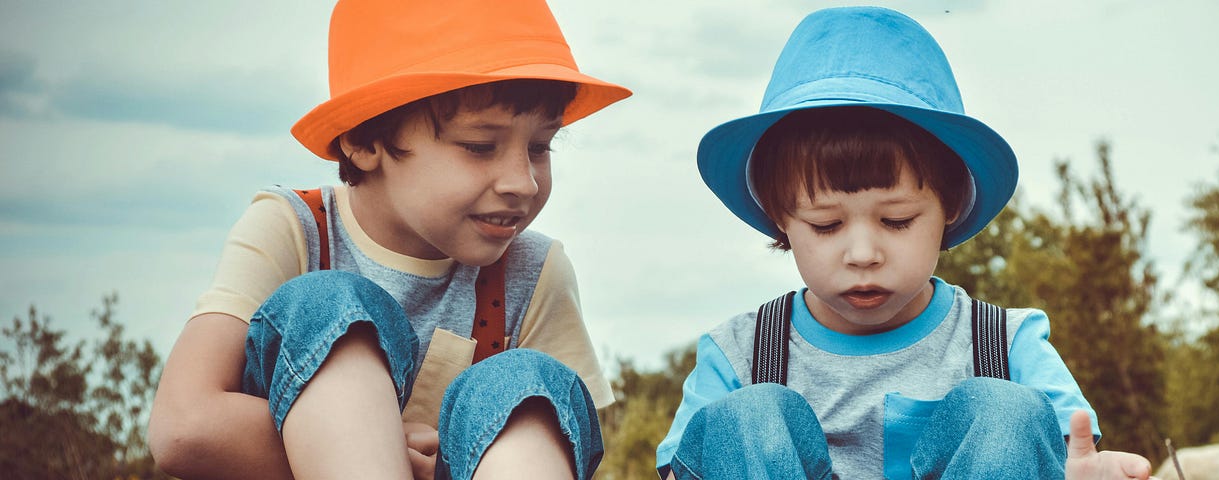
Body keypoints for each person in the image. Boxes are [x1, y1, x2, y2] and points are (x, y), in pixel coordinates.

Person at [656, 7, 1159, 480]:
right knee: (748, 417)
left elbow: (1069, 451)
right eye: (826, 225)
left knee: (1005, 410)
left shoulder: (1004, 343)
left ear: (951, 209)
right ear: (780, 220)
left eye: (896, 220)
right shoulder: (739, 354)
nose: (862, 253)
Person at [147, 0, 630, 478]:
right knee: (327, 306)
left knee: (525, 384)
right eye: (479, 146)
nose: (522, 183)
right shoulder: (294, 228)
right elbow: (185, 426)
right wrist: (371, 444)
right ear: (363, 139)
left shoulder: (534, 270)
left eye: (540, 147)